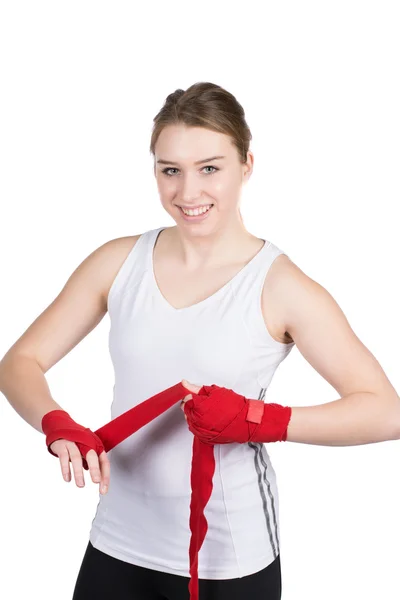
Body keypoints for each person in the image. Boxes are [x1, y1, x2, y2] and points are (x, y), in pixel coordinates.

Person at [1, 82, 398, 600]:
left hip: (227, 562)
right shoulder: (118, 262)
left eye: (210, 168)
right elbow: (20, 361)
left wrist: (261, 421)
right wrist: (56, 423)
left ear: (246, 165)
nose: (188, 193)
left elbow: (385, 412)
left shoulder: (280, 287)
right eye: (171, 170)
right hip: (116, 544)